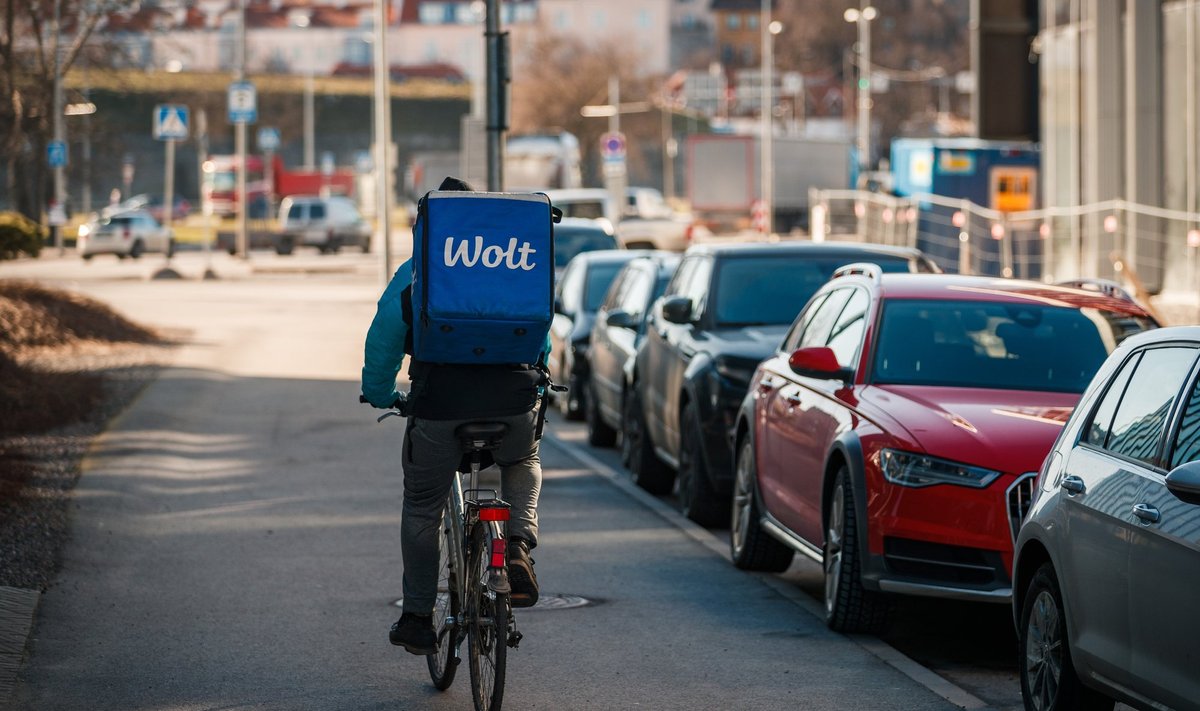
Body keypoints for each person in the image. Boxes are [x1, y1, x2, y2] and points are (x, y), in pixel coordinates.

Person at [360, 176, 549, 656]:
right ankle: (519, 547)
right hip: (514, 398)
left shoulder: (417, 272)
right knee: (521, 460)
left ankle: (418, 618)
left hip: (440, 405)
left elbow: (383, 338)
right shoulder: (514, 263)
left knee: (423, 505)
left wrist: (380, 394)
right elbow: (540, 334)